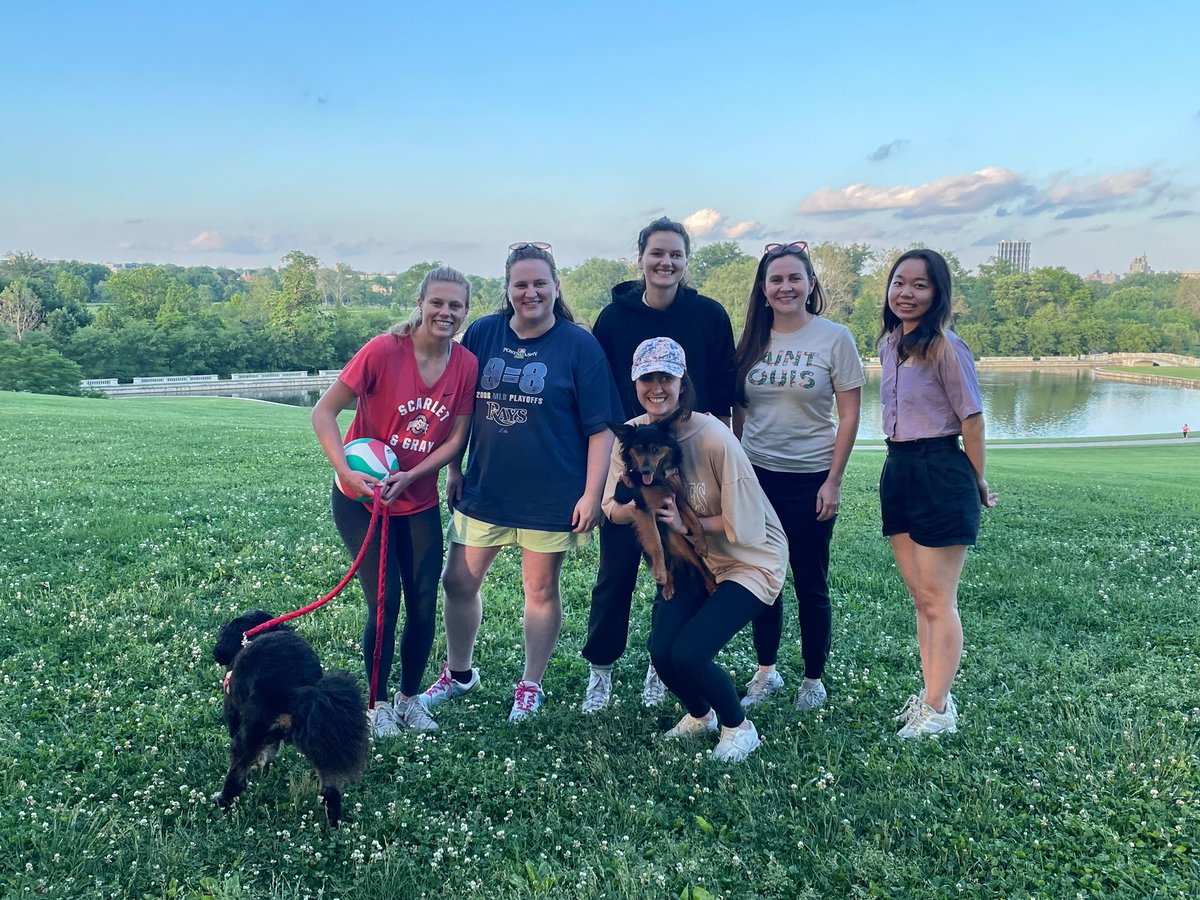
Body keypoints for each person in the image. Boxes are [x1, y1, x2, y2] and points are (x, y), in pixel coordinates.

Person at [421, 242, 623, 722]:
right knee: (458, 582)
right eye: (521, 284)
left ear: (556, 287)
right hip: (486, 488)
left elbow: (602, 429)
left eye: (539, 283)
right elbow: (459, 406)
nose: (530, 292)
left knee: (540, 591)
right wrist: (454, 467)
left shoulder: (580, 344)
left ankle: (530, 685)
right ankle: (459, 672)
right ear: (507, 289)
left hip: (551, 495)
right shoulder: (483, 334)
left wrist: (592, 495)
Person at [312, 267, 478, 737]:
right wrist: (345, 471)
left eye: (456, 306)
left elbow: (456, 440)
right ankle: (377, 704)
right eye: (438, 303)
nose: (446, 313)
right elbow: (323, 411)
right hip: (363, 501)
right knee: (384, 601)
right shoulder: (384, 351)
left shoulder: (465, 364)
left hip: (417, 499)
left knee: (424, 601)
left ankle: (409, 700)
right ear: (421, 303)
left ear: (466, 311)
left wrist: (411, 477)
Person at [603, 337, 787, 762]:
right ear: (635, 382)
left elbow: (748, 526)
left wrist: (687, 523)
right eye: (647, 377)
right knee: (661, 651)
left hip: (750, 560)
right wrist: (635, 508)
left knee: (690, 653)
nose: (656, 387)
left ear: (682, 382)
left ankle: (739, 727)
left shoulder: (715, 437)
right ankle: (700, 714)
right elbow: (611, 508)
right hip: (694, 559)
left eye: (666, 377)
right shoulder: (632, 437)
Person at [581, 216, 737, 713]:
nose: (665, 262)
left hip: (686, 454)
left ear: (686, 261)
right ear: (641, 259)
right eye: (657, 253)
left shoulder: (709, 315)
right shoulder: (613, 319)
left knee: (674, 561)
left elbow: (726, 396)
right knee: (615, 573)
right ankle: (601, 672)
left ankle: (658, 666)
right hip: (629, 449)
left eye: (675, 254)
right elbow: (599, 396)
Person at [732, 241, 864, 712]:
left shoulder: (834, 338)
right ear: (763, 289)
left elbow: (849, 416)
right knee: (764, 578)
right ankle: (766, 671)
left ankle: (813, 678)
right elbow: (739, 412)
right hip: (757, 479)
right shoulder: (750, 339)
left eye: (794, 278)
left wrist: (834, 481)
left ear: (810, 284)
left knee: (811, 581)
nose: (785, 287)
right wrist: (738, 470)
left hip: (811, 477)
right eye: (776, 279)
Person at [877, 249, 998, 739]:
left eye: (919, 285)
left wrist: (977, 478)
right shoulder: (890, 345)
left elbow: (972, 418)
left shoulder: (947, 347)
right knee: (919, 597)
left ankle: (939, 708)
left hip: (941, 468)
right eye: (899, 283)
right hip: (899, 465)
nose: (906, 293)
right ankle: (930, 694)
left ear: (937, 293)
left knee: (938, 599)